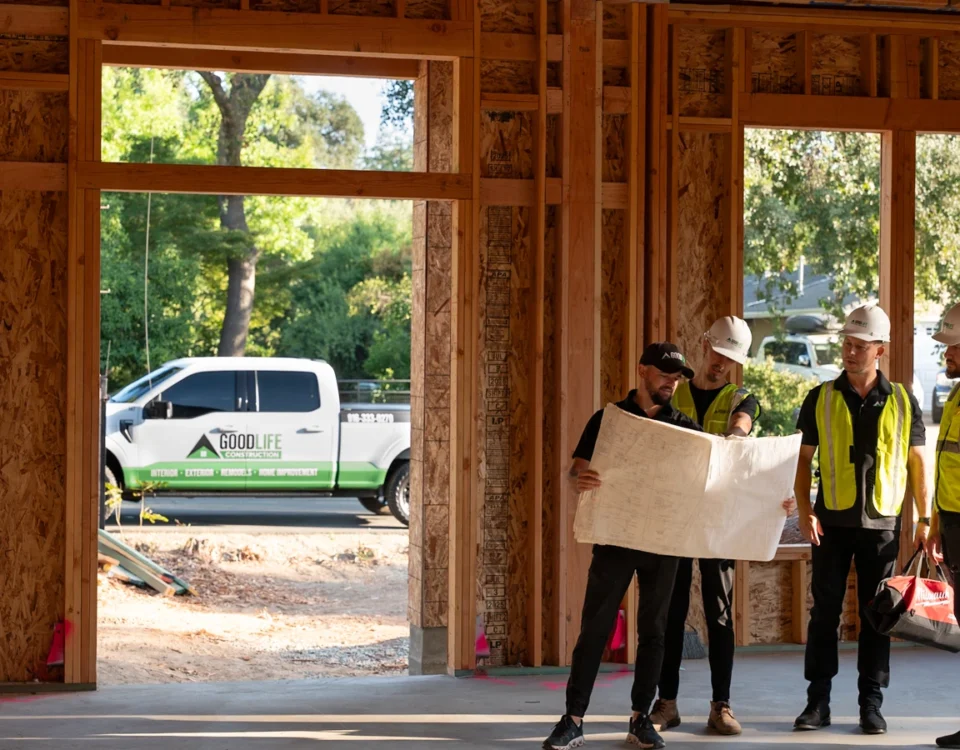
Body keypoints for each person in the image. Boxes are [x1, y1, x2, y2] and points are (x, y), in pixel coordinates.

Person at [543, 342, 701, 750]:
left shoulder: (685, 427)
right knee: (595, 628)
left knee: (655, 632)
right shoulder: (609, 419)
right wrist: (578, 476)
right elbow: (576, 467)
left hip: (663, 542)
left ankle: (640, 721)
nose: (672, 382)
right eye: (665, 373)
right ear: (642, 371)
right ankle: (573, 720)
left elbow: (714, 482)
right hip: (615, 536)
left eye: (678, 377)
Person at [652, 316, 795, 736]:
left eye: (730, 358)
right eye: (717, 353)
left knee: (719, 615)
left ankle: (721, 706)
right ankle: (667, 703)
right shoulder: (673, 392)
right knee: (671, 612)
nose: (720, 363)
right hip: (678, 517)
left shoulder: (740, 397)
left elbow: (743, 425)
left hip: (720, 521)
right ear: (704, 344)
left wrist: (737, 438)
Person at [792, 304, 929, 736]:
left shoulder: (904, 401)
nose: (850, 352)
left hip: (882, 528)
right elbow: (802, 461)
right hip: (830, 524)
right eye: (847, 344)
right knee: (823, 616)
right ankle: (818, 704)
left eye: (859, 346)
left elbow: (918, 465)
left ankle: (871, 705)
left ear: (880, 350)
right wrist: (804, 508)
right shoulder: (821, 397)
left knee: (877, 619)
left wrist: (924, 519)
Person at [925, 302, 960, 749]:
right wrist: (935, 524)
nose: (946, 356)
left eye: (953, 348)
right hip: (953, 523)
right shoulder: (955, 395)